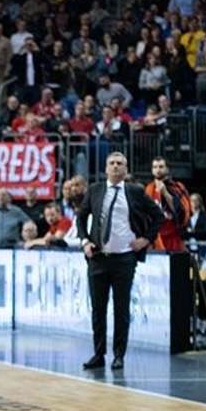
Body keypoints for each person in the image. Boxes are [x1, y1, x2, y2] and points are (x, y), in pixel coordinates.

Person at [74, 152, 163, 371]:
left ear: (125, 169)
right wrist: (85, 241)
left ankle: (119, 354)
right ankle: (98, 353)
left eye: (120, 164)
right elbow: (81, 216)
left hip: (124, 258)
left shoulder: (134, 191)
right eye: (112, 163)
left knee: (121, 309)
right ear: (106, 168)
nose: (115, 167)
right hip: (98, 258)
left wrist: (145, 240)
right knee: (98, 308)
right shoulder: (95, 190)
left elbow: (158, 216)